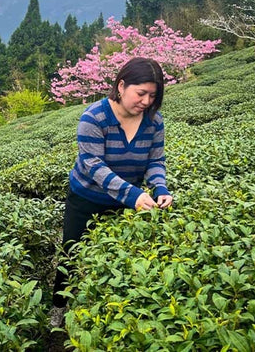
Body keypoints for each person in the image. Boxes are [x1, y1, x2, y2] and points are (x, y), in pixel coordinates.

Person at [50, 57, 173, 327]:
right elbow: (93, 165)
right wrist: (133, 195)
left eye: (153, 95)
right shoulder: (94, 117)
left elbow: (155, 161)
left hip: (129, 200)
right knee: (70, 253)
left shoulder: (154, 121)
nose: (146, 101)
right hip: (87, 198)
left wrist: (160, 187)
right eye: (141, 93)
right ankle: (58, 307)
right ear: (121, 86)